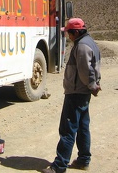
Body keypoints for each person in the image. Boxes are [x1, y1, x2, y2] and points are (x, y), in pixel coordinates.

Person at [43, 18, 101, 173]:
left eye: (69, 32)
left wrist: (92, 85)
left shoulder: (81, 46)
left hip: (76, 93)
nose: (67, 36)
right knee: (82, 128)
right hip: (83, 93)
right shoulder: (90, 42)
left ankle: (59, 166)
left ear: (76, 32)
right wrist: (93, 85)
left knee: (68, 130)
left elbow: (84, 71)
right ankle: (83, 160)